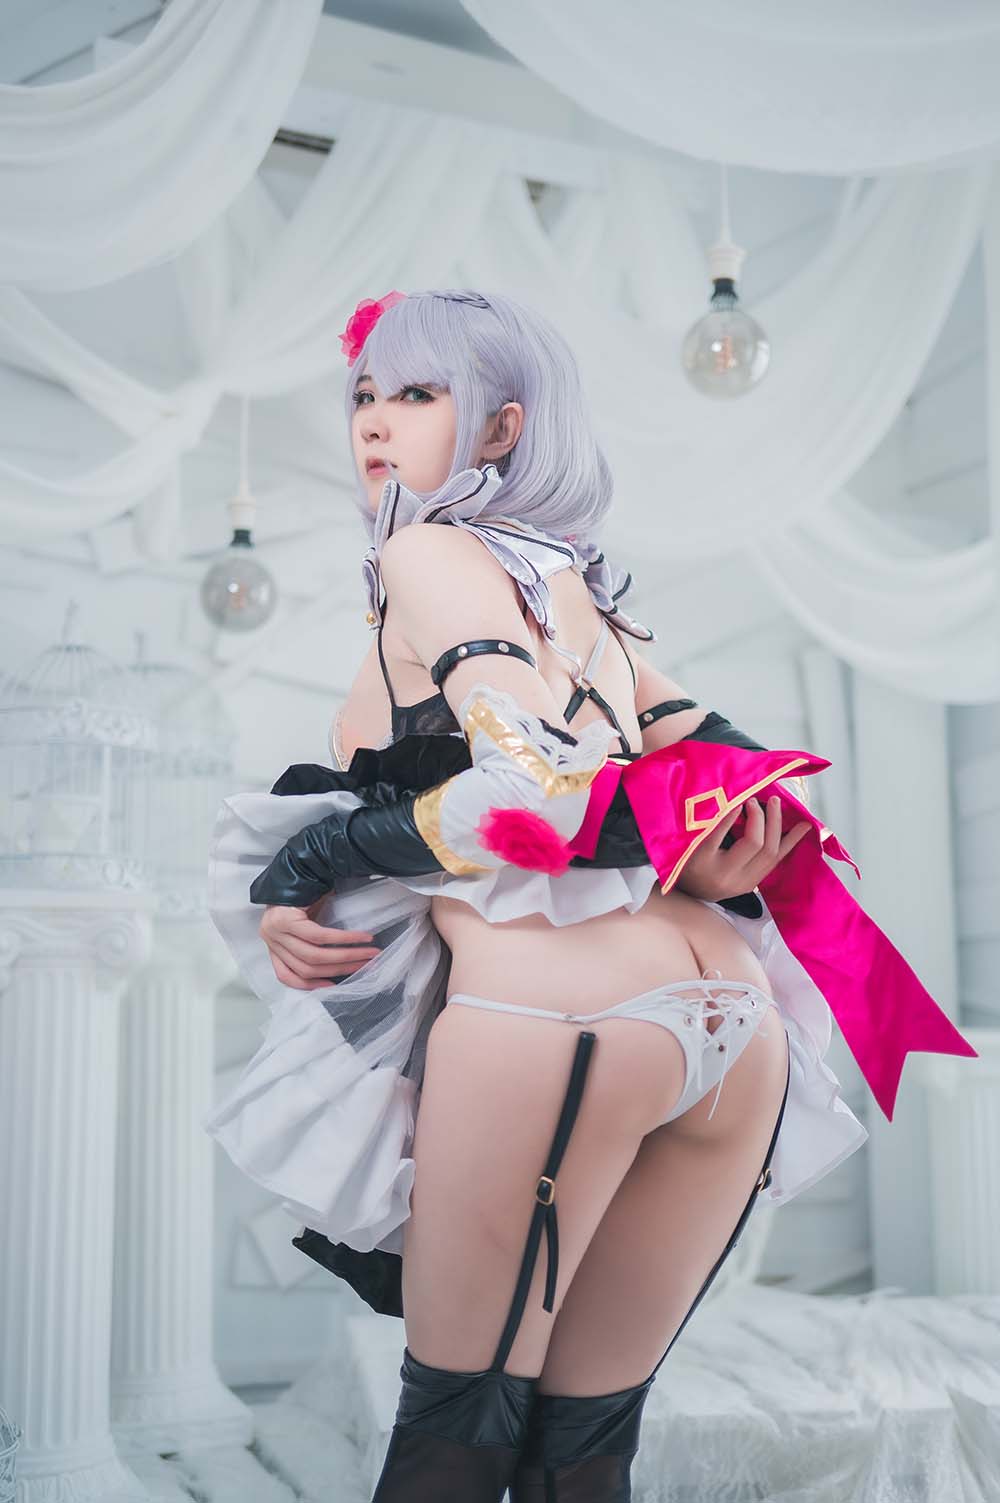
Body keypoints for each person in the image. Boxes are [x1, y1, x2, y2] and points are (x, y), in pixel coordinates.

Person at [203, 288, 977, 1503]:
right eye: (363, 394)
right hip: (734, 1039)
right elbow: (725, 770)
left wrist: (317, 855)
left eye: (416, 393)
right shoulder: (581, 595)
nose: (374, 420)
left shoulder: (428, 554)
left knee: (454, 1443)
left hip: (558, 1029)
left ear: (502, 427)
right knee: (583, 1451)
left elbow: (537, 788)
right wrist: (701, 832)